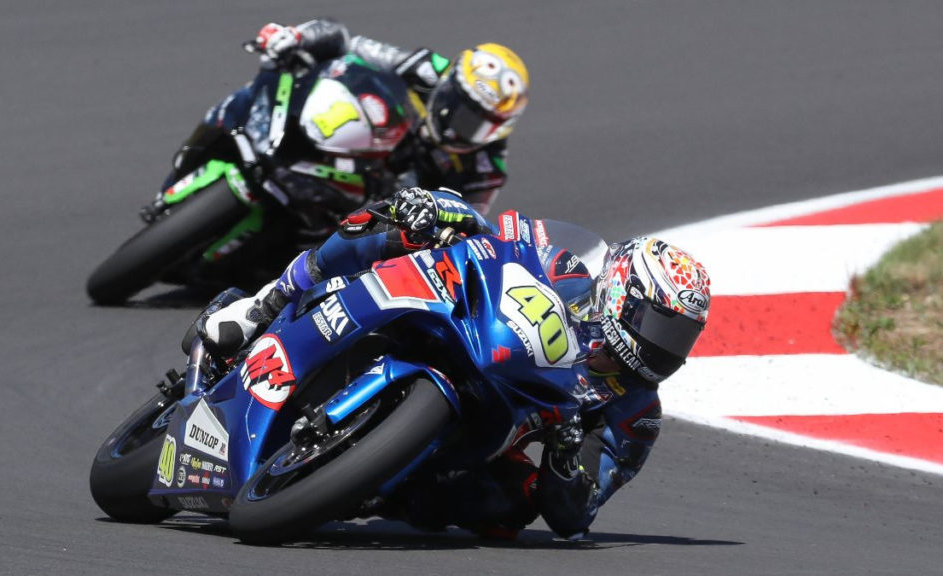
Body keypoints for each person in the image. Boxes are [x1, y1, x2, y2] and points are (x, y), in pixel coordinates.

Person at [189, 187, 711, 539]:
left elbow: (576, 513)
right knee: (414, 218)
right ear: (623, 293)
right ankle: (269, 301)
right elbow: (508, 234)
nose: (665, 347)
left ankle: (378, 485)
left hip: (487, 426)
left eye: (680, 337)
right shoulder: (569, 269)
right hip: (462, 326)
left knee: (510, 510)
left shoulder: (635, 413)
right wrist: (450, 215)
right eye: (660, 326)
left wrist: (564, 457)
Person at [195, 18, 529, 217]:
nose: (459, 126)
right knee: (287, 66)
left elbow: (468, 220)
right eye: (459, 108)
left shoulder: (487, 170)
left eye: (478, 124)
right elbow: (348, 43)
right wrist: (298, 37)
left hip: (381, 209)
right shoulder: (428, 68)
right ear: (450, 83)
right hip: (350, 145)